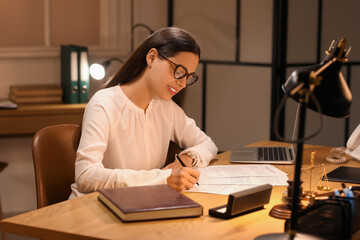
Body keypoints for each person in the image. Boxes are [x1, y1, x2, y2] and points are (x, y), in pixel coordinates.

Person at [70, 27, 218, 198]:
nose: (183, 83)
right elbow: (85, 176)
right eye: (179, 71)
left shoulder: (166, 107)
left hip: (141, 203)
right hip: (93, 209)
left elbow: (208, 145)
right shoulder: (103, 104)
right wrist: (163, 178)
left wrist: (186, 159)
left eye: (189, 77)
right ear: (152, 57)